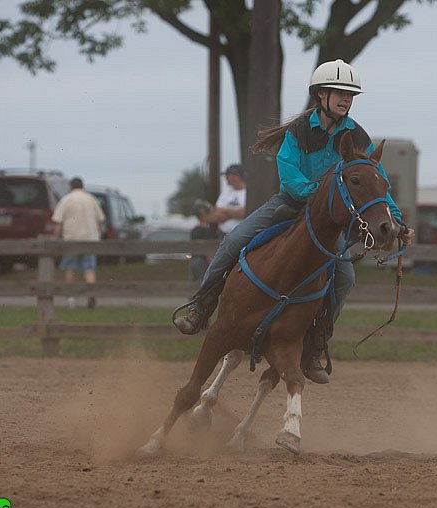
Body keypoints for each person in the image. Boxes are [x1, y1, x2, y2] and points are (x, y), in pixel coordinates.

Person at [173, 59, 414, 384]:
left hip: (330, 220)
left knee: (345, 278)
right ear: (321, 95)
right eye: (339, 93)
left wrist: (396, 221)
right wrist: (319, 194)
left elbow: (376, 180)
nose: (346, 99)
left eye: (350, 95)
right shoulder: (299, 131)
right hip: (291, 204)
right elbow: (289, 175)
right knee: (233, 241)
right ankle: (201, 306)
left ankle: (314, 347)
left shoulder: (357, 136)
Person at [52, 177, 105, 309]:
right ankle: (91, 293)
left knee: (70, 268)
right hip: (90, 239)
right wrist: (98, 235)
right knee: (89, 269)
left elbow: (58, 221)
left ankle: (71, 299)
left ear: (71, 187)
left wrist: (55, 237)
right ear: (82, 186)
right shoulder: (91, 199)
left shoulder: (66, 199)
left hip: (71, 239)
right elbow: (100, 220)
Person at [202, 164, 247, 237]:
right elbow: (217, 212)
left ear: (236, 176)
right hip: (223, 235)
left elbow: (245, 212)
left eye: (227, 175)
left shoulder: (248, 193)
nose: (226, 178)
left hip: (242, 236)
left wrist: (225, 211)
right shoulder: (225, 193)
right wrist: (236, 213)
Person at [189, 199, 217, 282]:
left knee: (193, 286)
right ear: (203, 215)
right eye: (209, 214)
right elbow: (207, 251)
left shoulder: (194, 230)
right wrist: (212, 264)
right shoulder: (206, 231)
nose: (211, 215)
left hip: (193, 261)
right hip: (202, 263)